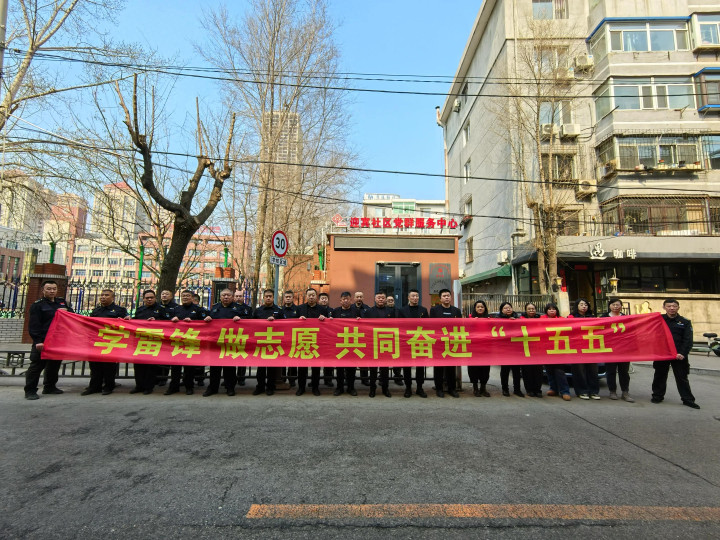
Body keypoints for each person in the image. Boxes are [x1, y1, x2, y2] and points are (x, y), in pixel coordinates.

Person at [24, 280, 74, 400]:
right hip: (44, 340)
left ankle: (50, 387)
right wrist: (38, 341)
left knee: (54, 365)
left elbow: (73, 316)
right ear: (43, 290)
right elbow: (34, 325)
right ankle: (30, 390)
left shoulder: (61, 302)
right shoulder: (38, 305)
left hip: (58, 340)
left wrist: (67, 312)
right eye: (49, 289)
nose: (52, 291)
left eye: (54, 289)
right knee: (36, 366)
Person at [652, 298, 700, 409]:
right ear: (664, 307)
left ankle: (688, 399)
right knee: (659, 375)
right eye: (669, 306)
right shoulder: (658, 320)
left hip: (679, 355)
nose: (672, 308)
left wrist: (682, 353)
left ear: (678, 307)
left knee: (682, 377)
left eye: (674, 306)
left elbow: (688, 340)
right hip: (662, 354)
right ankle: (657, 396)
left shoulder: (685, 322)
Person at [82, 289, 130, 396]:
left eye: (106, 295)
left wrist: (126, 320)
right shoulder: (96, 311)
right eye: (102, 295)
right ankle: (94, 387)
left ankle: (109, 386)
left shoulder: (120, 310)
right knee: (94, 366)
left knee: (109, 366)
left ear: (113, 298)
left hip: (111, 342)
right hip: (96, 342)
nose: (103, 297)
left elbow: (127, 323)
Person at [165, 289, 211, 396]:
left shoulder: (198, 309)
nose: (185, 297)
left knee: (189, 367)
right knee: (175, 367)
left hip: (191, 342)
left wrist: (204, 319)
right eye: (183, 296)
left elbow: (206, 320)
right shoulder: (176, 309)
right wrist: (173, 320)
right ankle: (174, 386)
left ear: (192, 297)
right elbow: (165, 322)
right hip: (177, 342)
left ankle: (189, 387)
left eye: (187, 296)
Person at [204, 289, 246, 397]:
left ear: (232, 297)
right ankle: (213, 388)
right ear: (220, 297)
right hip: (216, 342)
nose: (226, 297)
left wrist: (240, 319)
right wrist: (208, 318)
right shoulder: (215, 308)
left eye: (228, 295)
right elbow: (209, 321)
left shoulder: (238, 308)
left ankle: (230, 388)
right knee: (214, 367)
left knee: (229, 367)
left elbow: (247, 321)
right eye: (223, 295)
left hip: (230, 342)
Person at [131, 289, 166, 394]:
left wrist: (156, 322)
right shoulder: (140, 309)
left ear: (155, 298)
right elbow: (135, 321)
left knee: (151, 366)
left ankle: (148, 387)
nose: (149, 299)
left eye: (151, 297)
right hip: (140, 341)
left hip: (154, 341)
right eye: (147, 298)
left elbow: (168, 323)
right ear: (143, 299)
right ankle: (139, 386)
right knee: (138, 365)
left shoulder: (161, 309)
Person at [296, 288, 329, 396]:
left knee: (316, 367)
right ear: (306, 296)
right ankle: (301, 388)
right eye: (309, 295)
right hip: (303, 341)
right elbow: (293, 323)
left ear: (316, 296)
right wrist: (298, 319)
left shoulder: (322, 309)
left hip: (317, 342)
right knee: (302, 367)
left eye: (313, 295)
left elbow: (328, 325)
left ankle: (315, 387)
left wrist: (324, 319)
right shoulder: (300, 308)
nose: (311, 297)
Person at [430, 288, 462, 398]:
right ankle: (439, 388)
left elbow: (460, 326)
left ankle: (452, 388)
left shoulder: (456, 311)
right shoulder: (434, 310)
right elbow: (432, 326)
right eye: (444, 296)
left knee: (451, 367)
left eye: (448, 295)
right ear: (440, 298)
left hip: (452, 342)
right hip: (439, 342)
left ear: (451, 297)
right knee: (438, 367)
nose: (446, 297)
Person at [601, 297, 634, 402]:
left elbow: (631, 332)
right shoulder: (603, 317)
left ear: (621, 306)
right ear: (609, 306)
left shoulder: (626, 318)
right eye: (613, 305)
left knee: (624, 372)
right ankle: (612, 391)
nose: (615, 307)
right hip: (609, 349)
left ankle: (625, 392)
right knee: (610, 371)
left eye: (618, 305)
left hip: (623, 349)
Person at [397, 289, 429, 398]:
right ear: (408, 298)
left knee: (420, 366)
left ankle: (419, 387)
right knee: (407, 366)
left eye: (417, 296)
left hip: (420, 341)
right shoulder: (402, 310)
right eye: (413, 296)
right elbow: (399, 326)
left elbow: (427, 325)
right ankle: (408, 388)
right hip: (407, 342)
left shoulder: (423, 310)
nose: (415, 298)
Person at [253, 289, 285, 396]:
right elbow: (251, 324)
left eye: (270, 296)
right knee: (261, 368)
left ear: (273, 297)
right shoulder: (258, 311)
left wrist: (275, 322)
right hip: (261, 342)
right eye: (266, 296)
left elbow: (285, 325)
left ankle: (270, 387)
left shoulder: (279, 310)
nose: (268, 298)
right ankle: (260, 387)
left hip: (273, 342)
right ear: (263, 297)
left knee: (272, 367)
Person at [568, 298, 600, 400]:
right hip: (577, 347)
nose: (584, 306)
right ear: (577, 306)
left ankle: (594, 392)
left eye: (585, 304)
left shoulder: (593, 318)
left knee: (593, 371)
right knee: (579, 371)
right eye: (581, 304)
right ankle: (582, 391)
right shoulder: (570, 317)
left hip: (591, 348)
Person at [365, 291, 395, 397]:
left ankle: (385, 389)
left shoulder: (391, 311)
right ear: (375, 299)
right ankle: (372, 389)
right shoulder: (369, 312)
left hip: (385, 343)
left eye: (383, 298)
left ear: (385, 299)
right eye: (379, 298)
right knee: (373, 369)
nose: (381, 299)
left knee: (385, 369)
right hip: (373, 343)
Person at [331, 291, 360, 396]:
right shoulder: (335, 311)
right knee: (339, 368)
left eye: (347, 299)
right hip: (339, 344)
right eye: (343, 299)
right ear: (340, 301)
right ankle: (339, 388)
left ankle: (351, 388)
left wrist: (359, 320)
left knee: (351, 368)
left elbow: (362, 325)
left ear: (351, 300)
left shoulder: (356, 311)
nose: (346, 301)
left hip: (352, 343)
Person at [541, 302, 571, 401]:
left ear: (557, 310)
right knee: (549, 370)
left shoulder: (562, 320)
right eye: (549, 309)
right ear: (546, 311)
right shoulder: (541, 319)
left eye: (553, 309)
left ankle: (565, 391)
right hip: (546, 348)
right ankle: (553, 388)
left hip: (559, 349)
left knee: (559, 371)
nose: (552, 311)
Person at [496, 301, 524, 398]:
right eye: (505, 308)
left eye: (509, 307)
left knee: (516, 371)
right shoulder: (498, 320)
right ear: (501, 310)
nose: (508, 309)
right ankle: (505, 389)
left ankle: (517, 389)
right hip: (504, 349)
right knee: (505, 370)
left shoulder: (518, 319)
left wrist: (515, 322)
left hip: (516, 349)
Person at [467, 299, 491, 397]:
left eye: (482, 307)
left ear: (485, 308)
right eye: (478, 307)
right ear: (475, 308)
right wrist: (472, 322)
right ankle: (475, 388)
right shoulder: (469, 319)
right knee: (474, 368)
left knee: (485, 369)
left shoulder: (490, 319)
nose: (480, 308)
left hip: (486, 349)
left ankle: (483, 388)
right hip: (473, 349)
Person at [521, 302, 543, 398]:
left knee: (538, 371)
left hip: (538, 349)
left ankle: (538, 390)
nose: (531, 310)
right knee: (527, 371)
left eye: (533, 309)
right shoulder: (520, 320)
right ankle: (529, 390)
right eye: (529, 309)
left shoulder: (541, 320)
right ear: (525, 310)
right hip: (525, 349)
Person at [233, 289, 253, 385]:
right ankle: (230, 378)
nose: (238, 298)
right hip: (231, 336)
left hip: (243, 335)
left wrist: (241, 319)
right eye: (236, 296)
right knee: (231, 357)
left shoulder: (248, 308)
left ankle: (241, 378)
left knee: (242, 357)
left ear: (243, 297)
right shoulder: (230, 307)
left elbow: (251, 320)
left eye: (240, 296)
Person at [280, 290, 299, 386]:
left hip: (294, 338)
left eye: (289, 297)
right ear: (284, 298)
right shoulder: (280, 309)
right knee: (282, 359)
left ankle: (292, 379)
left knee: (293, 359)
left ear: (293, 298)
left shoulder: (298, 309)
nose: (288, 298)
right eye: (286, 297)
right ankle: (282, 378)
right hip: (283, 338)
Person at [354, 291, 371, 385]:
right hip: (352, 337)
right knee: (350, 358)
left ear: (363, 298)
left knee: (363, 359)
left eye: (361, 297)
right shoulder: (350, 308)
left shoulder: (368, 309)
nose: (359, 299)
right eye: (357, 297)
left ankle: (364, 379)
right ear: (354, 298)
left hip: (364, 337)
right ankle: (349, 378)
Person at [317, 292, 334, 387]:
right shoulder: (316, 309)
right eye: (322, 298)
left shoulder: (332, 310)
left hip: (329, 339)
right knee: (316, 360)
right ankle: (314, 379)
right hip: (317, 338)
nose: (324, 300)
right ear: (319, 300)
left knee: (329, 360)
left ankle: (328, 379)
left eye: (325, 298)